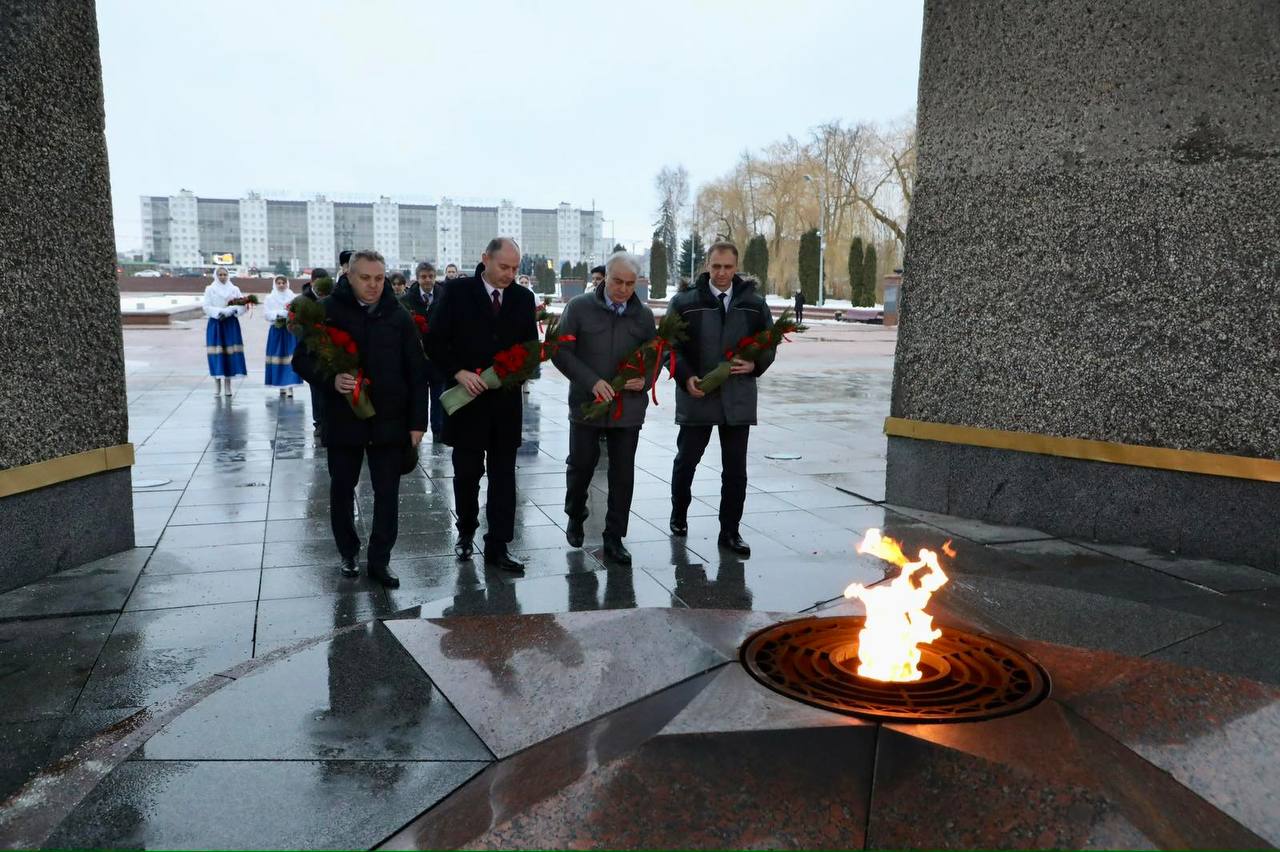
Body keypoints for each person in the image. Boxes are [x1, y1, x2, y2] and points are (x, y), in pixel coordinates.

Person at [291, 250, 428, 588]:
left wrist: (417, 423)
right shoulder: (327, 312)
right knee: (341, 488)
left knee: (387, 493)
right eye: (365, 278)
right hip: (343, 419)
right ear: (349, 276)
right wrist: (330, 380)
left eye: (379, 278)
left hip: (389, 420)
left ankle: (380, 560)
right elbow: (301, 361)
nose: (373, 285)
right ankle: (348, 551)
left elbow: (416, 371)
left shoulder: (399, 316)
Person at [426, 237, 535, 572]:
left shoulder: (522, 297)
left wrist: (516, 371)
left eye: (515, 268)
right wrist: (457, 372)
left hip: (504, 405)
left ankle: (498, 545)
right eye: (504, 267)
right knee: (467, 474)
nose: (509, 274)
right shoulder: (456, 293)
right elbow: (434, 341)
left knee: (504, 477)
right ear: (485, 258)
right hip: (467, 401)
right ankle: (465, 531)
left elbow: (530, 349)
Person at [666, 241, 775, 557]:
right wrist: (685, 377)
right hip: (697, 394)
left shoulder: (754, 304)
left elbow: (769, 342)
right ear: (707, 265)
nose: (722, 273)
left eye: (728, 267)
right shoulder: (685, 303)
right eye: (716, 266)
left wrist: (756, 364)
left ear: (736, 267)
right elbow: (670, 348)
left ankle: (730, 531)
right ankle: (679, 513)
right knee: (687, 461)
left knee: (735, 470)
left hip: (737, 397)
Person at [552, 251, 655, 565]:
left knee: (622, 474)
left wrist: (645, 378)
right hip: (587, 404)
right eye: (617, 281)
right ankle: (575, 512)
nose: (623, 289)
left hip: (627, 409)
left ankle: (614, 537)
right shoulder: (579, 308)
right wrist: (591, 381)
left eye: (629, 283)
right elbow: (561, 351)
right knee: (581, 465)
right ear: (605, 277)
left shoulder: (644, 316)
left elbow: (656, 354)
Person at [400, 261, 446, 440]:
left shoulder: (444, 297)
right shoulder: (406, 300)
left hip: (437, 356)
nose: (428, 280)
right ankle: (416, 430)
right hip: (416, 357)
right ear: (417, 278)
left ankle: (439, 430)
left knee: (438, 396)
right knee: (417, 395)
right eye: (424, 277)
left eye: (431, 276)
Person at [202, 266, 248, 397]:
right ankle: (217, 385)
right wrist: (219, 312)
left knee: (229, 354)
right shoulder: (210, 289)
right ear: (216, 275)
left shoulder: (234, 289)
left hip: (230, 324)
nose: (223, 277)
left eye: (225, 274)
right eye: (220, 274)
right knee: (217, 353)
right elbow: (206, 306)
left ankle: (228, 385)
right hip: (216, 324)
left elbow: (242, 305)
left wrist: (232, 310)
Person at [301, 267, 330, 440]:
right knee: (316, 388)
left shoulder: (332, 297)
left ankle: (328, 421)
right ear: (312, 282)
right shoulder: (304, 300)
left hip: (331, 349)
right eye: (317, 284)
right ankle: (318, 422)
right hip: (312, 350)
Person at [263, 275, 302, 397]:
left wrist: (290, 316)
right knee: (278, 358)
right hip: (276, 330)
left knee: (290, 357)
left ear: (287, 283)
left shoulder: (292, 297)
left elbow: (297, 312)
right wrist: (279, 314)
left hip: (290, 331)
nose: (281, 285)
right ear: (275, 284)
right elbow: (267, 314)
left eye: (283, 282)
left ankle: (290, 386)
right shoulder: (270, 297)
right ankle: (281, 386)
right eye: (278, 283)